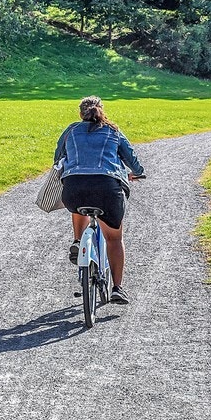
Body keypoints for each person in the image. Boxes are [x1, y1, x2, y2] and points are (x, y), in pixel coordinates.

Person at [54, 96, 144, 303]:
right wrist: (137, 172)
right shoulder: (113, 131)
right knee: (113, 238)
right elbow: (132, 160)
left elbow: (57, 158)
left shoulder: (71, 131)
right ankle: (117, 288)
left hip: (73, 189)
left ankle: (78, 241)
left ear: (80, 114)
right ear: (102, 111)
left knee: (78, 205)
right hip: (107, 189)